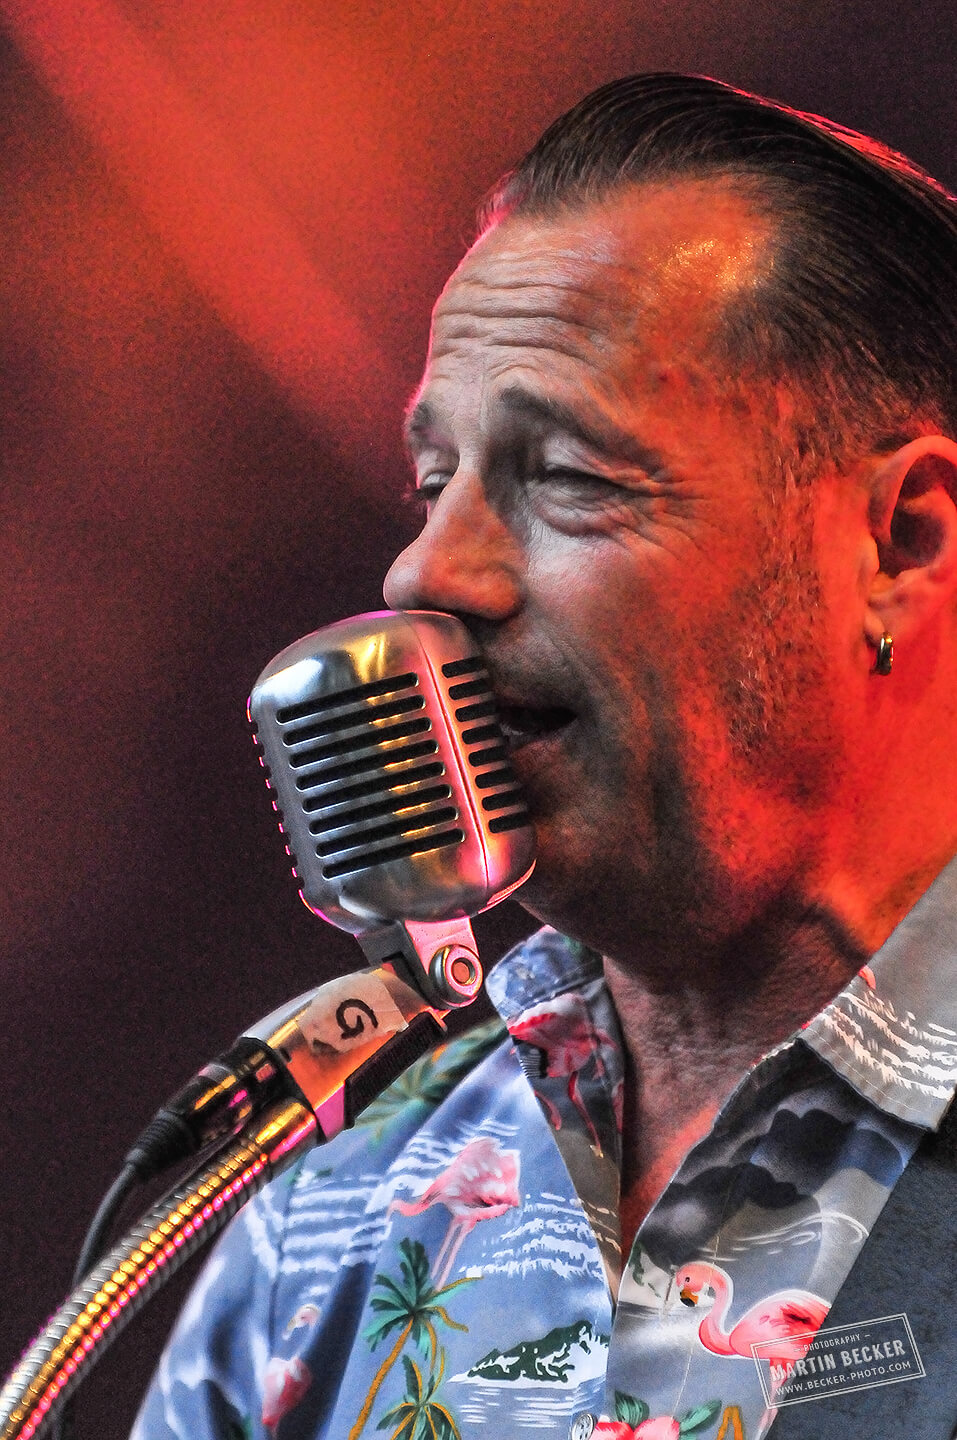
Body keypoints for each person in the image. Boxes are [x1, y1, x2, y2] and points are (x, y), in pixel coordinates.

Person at [133, 74, 957, 1439]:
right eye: (431, 483)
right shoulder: (317, 1235)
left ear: (902, 542)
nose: (422, 572)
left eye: (567, 475)